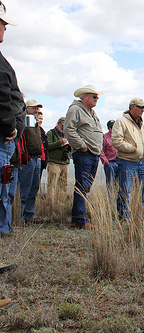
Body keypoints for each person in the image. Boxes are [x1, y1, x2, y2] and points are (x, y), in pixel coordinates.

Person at [0, 3, 25, 237]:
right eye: (2, 23)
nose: (5, 28)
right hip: (3, 138)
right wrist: (10, 128)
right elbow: (3, 98)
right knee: (2, 190)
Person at [64, 85, 103, 230]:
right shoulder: (75, 109)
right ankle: (81, 220)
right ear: (84, 96)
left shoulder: (92, 112)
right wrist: (81, 145)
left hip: (93, 153)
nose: (96, 99)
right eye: (94, 97)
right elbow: (69, 129)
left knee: (85, 186)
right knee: (82, 186)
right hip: (84, 153)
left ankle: (77, 219)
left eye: (97, 97)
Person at [112, 98, 144, 221]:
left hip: (143, 162)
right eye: (140, 107)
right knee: (126, 189)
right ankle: (123, 216)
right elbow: (116, 141)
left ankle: (136, 213)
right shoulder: (121, 122)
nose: (142, 109)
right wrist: (133, 149)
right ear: (131, 107)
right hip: (127, 161)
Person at [18, 100, 44, 224]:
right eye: (34, 108)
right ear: (27, 108)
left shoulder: (35, 122)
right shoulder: (24, 120)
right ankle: (20, 217)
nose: (36, 110)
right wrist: (25, 156)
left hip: (36, 158)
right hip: (28, 159)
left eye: (37, 108)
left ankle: (29, 215)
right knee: (25, 189)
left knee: (34, 188)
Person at [46, 117, 71, 206]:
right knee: (52, 185)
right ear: (58, 124)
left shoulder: (67, 134)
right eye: (63, 126)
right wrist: (59, 143)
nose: (64, 128)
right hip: (54, 162)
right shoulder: (50, 133)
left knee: (63, 185)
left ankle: (60, 205)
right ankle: (50, 206)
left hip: (64, 163)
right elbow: (47, 146)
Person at [99, 120, 118, 191]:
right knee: (110, 184)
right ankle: (110, 200)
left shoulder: (119, 137)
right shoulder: (105, 138)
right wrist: (106, 162)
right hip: (110, 163)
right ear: (109, 128)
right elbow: (101, 151)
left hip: (119, 163)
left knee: (119, 184)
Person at [36, 111, 48, 178]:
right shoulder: (30, 129)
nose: (40, 121)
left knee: (37, 184)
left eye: (41, 119)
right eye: (39, 118)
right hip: (35, 159)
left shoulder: (42, 131)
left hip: (42, 161)